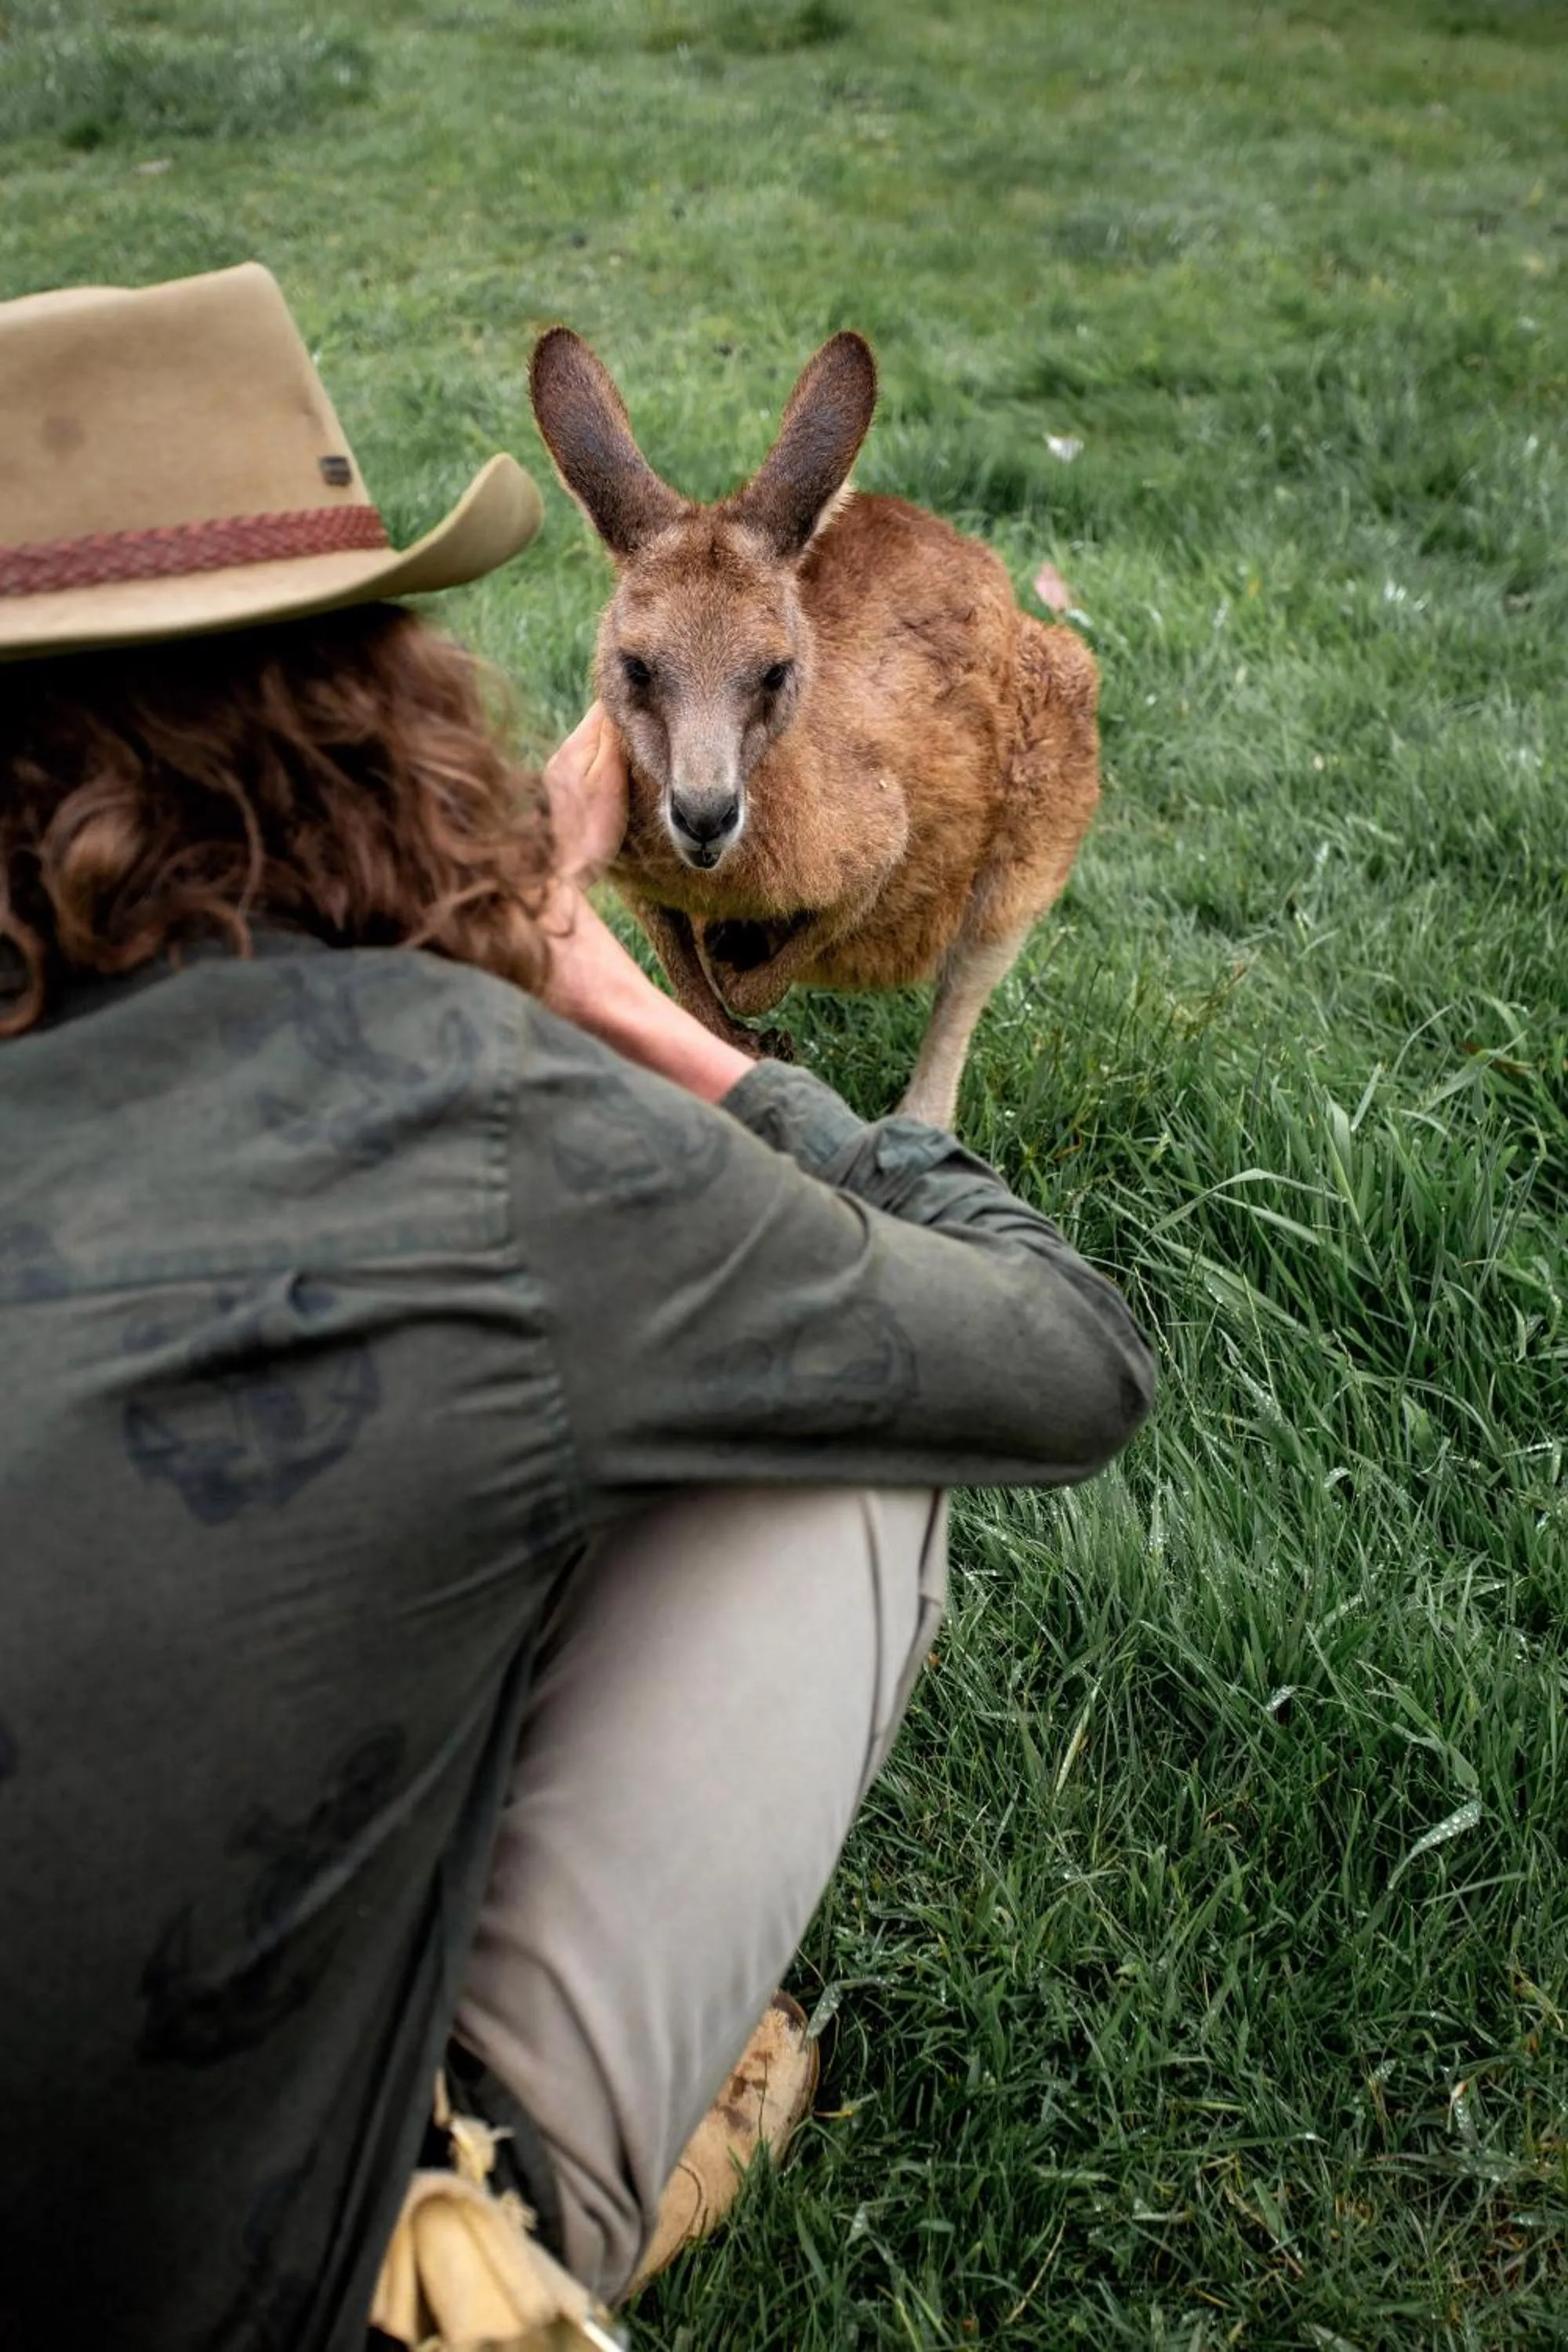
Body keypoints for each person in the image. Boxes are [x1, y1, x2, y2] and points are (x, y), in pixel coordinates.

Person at [0, 263, 1156, 2349]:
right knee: (848, 1437)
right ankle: (509, 2225)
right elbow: (1067, 1357)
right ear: (378, 683)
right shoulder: (494, 1123)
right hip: (263, 2289)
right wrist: (651, 1029)